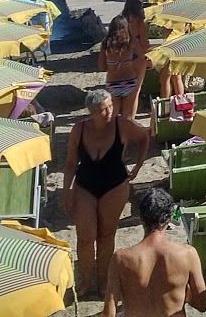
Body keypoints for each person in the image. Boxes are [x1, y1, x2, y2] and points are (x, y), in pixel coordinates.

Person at [64, 88, 150, 301]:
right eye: (103, 110)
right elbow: (71, 163)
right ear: (92, 112)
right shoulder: (79, 130)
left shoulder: (122, 124)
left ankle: (103, 281)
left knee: (106, 235)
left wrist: (138, 167)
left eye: (111, 106)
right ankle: (85, 279)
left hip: (115, 185)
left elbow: (144, 137)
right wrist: (66, 191)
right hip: (85, 185)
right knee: (85, 237)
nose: (109, 112)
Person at [103, 186, 206, 317]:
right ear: (169, 218)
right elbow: (202, 305)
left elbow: (109, 311)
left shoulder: (121, 259)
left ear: (141, 218)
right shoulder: (188, 255)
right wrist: (183, 293)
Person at [100, 13, 149, 123]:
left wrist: (112, 64)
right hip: (129, 82)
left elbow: (101, 66)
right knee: (128, 119)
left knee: (113, 118)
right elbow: (142, 55)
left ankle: (115, 137)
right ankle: (126, 138)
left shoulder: (105, 44)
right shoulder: (130, 43)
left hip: (113, 84)